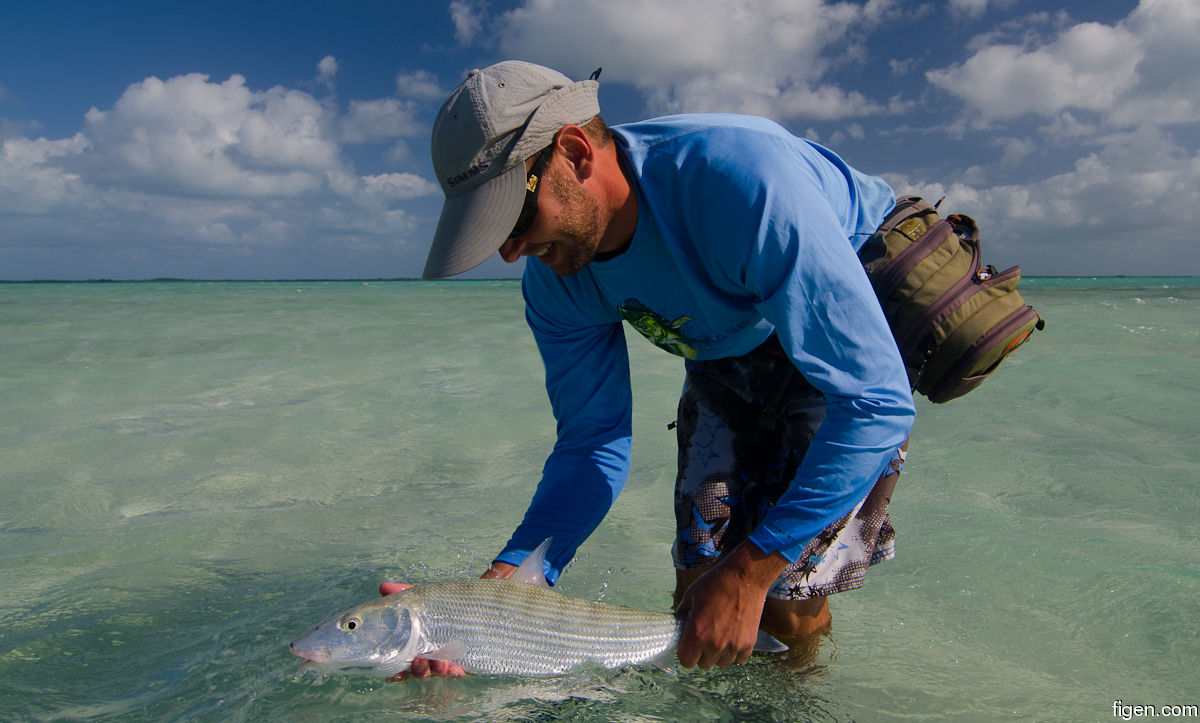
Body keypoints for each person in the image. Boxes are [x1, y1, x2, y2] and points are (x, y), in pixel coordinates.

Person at [395, 60, 915, 677]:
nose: (509, 252)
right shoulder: (556, 277)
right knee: (698, 602)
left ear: (574, 151)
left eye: (513, 218)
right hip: (724, 341)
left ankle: (797, 697)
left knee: (782, 599)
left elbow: (877, 404)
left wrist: (752, 573)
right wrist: (508, 585)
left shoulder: (746, 187)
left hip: (843, 322)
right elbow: (592, 442)